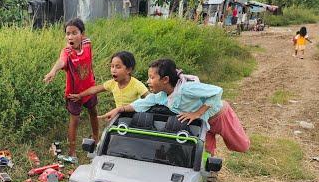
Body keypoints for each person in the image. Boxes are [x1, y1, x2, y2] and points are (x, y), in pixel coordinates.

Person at [101, 58, 250, 155]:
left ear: (165, 79)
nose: (148, 81)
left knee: (242, 146)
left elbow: (217, 92)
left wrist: (197, 113)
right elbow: (141, 104)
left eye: (152, 78)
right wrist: (119, 109)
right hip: (200, 124)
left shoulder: (186, 89)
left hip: (218, 115)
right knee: (203, 154)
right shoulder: (161, 96)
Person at [43, 18, 98, 162]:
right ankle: (72, 152)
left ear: (82, 34)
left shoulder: (87, 43)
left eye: (74, 33)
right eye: (68, 33)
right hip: (74, 94)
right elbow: (61, 61)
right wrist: (53, 71)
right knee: (74, 120)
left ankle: (96, 139)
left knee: (93, 112)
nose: (70, 37)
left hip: (90, 88)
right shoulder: (67, 51)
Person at [67, 51, 149, 120]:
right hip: (119, 115)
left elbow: (150, 98)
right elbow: (95, 89)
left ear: (128, 70)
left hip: (135, 117)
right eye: (112, 66)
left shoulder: (137, 85)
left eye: (118, 67)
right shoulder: (112, 83)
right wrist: (80, 95)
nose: (113, 70)